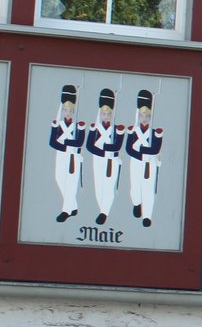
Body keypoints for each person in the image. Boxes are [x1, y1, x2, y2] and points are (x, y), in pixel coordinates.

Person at [125, 89, 164, 227]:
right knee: (135, 187)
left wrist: (147, 152)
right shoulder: (133, 131)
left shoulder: (155, 133)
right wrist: (143, 153)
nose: (144, 118)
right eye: (142, 115)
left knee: (148, 189)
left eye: (147, 115)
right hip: (136, 161)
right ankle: (137, 203)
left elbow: (156, 149)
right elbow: (129, 149)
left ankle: (147, 215)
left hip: (150, 164)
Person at [85, 88, 124, 226]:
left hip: (112, 161)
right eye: (103, 113)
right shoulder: (95, 128)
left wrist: (106, 150)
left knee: (108, 186)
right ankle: (102, 208)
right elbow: (89, 146)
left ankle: (104, 212)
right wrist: (104, 151)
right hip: (98, 159)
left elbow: (117, 146)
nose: (106, 116)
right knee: (98, 187)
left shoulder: (118, 129)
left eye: (109, 114)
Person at [49, 84, 85, 223]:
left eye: (70, 110)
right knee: (59, 179)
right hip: (61, 155)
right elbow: (52, 142)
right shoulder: (58, 124)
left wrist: (65, 143)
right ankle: (73, 206)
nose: (68, 113)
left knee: (71, 183)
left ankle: (66, 210)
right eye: (65, 110)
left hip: (74, 157)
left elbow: (79, 142)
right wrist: (67, 146)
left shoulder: (79, 126)